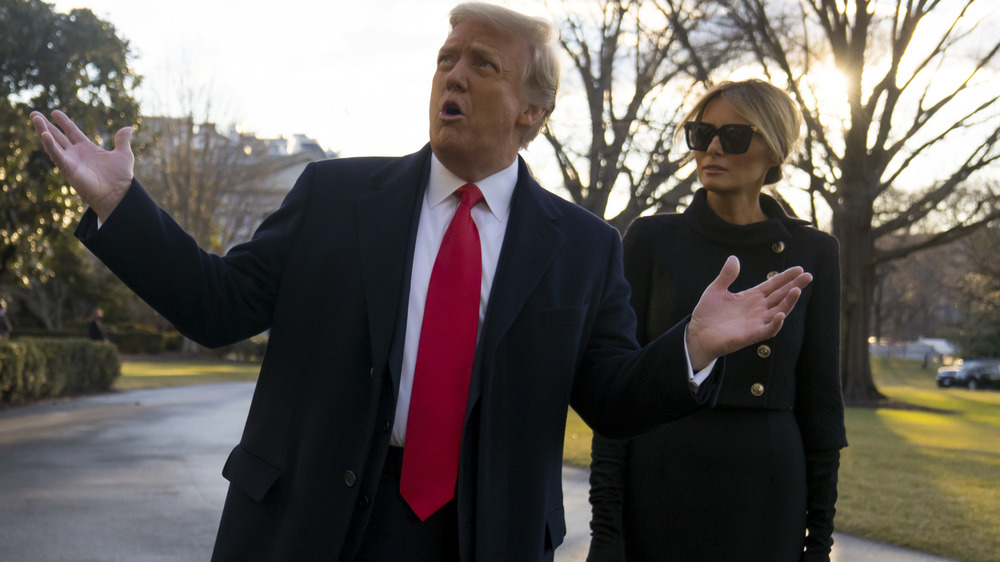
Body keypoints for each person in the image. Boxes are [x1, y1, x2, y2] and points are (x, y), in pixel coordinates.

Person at [30, 6, 812, 561]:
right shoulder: (335, 198)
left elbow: (608, 395)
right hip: (310, 523)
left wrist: (695, 347)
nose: (456, 75)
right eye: (447, 57)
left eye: (483, 64)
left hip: (482, 533)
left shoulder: (582, 245)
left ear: (533, 111)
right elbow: (217, 304)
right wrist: (122, 206)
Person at [587, 79, 847, 562]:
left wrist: (819, 544)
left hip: (767, 492)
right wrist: (607, 533)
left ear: (772, 147)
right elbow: (618, 394)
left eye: (732, 136)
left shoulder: (814, 252)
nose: (710, 147)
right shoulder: (651, 240)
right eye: (701, 132)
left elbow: (821, 407)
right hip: (661, 480)